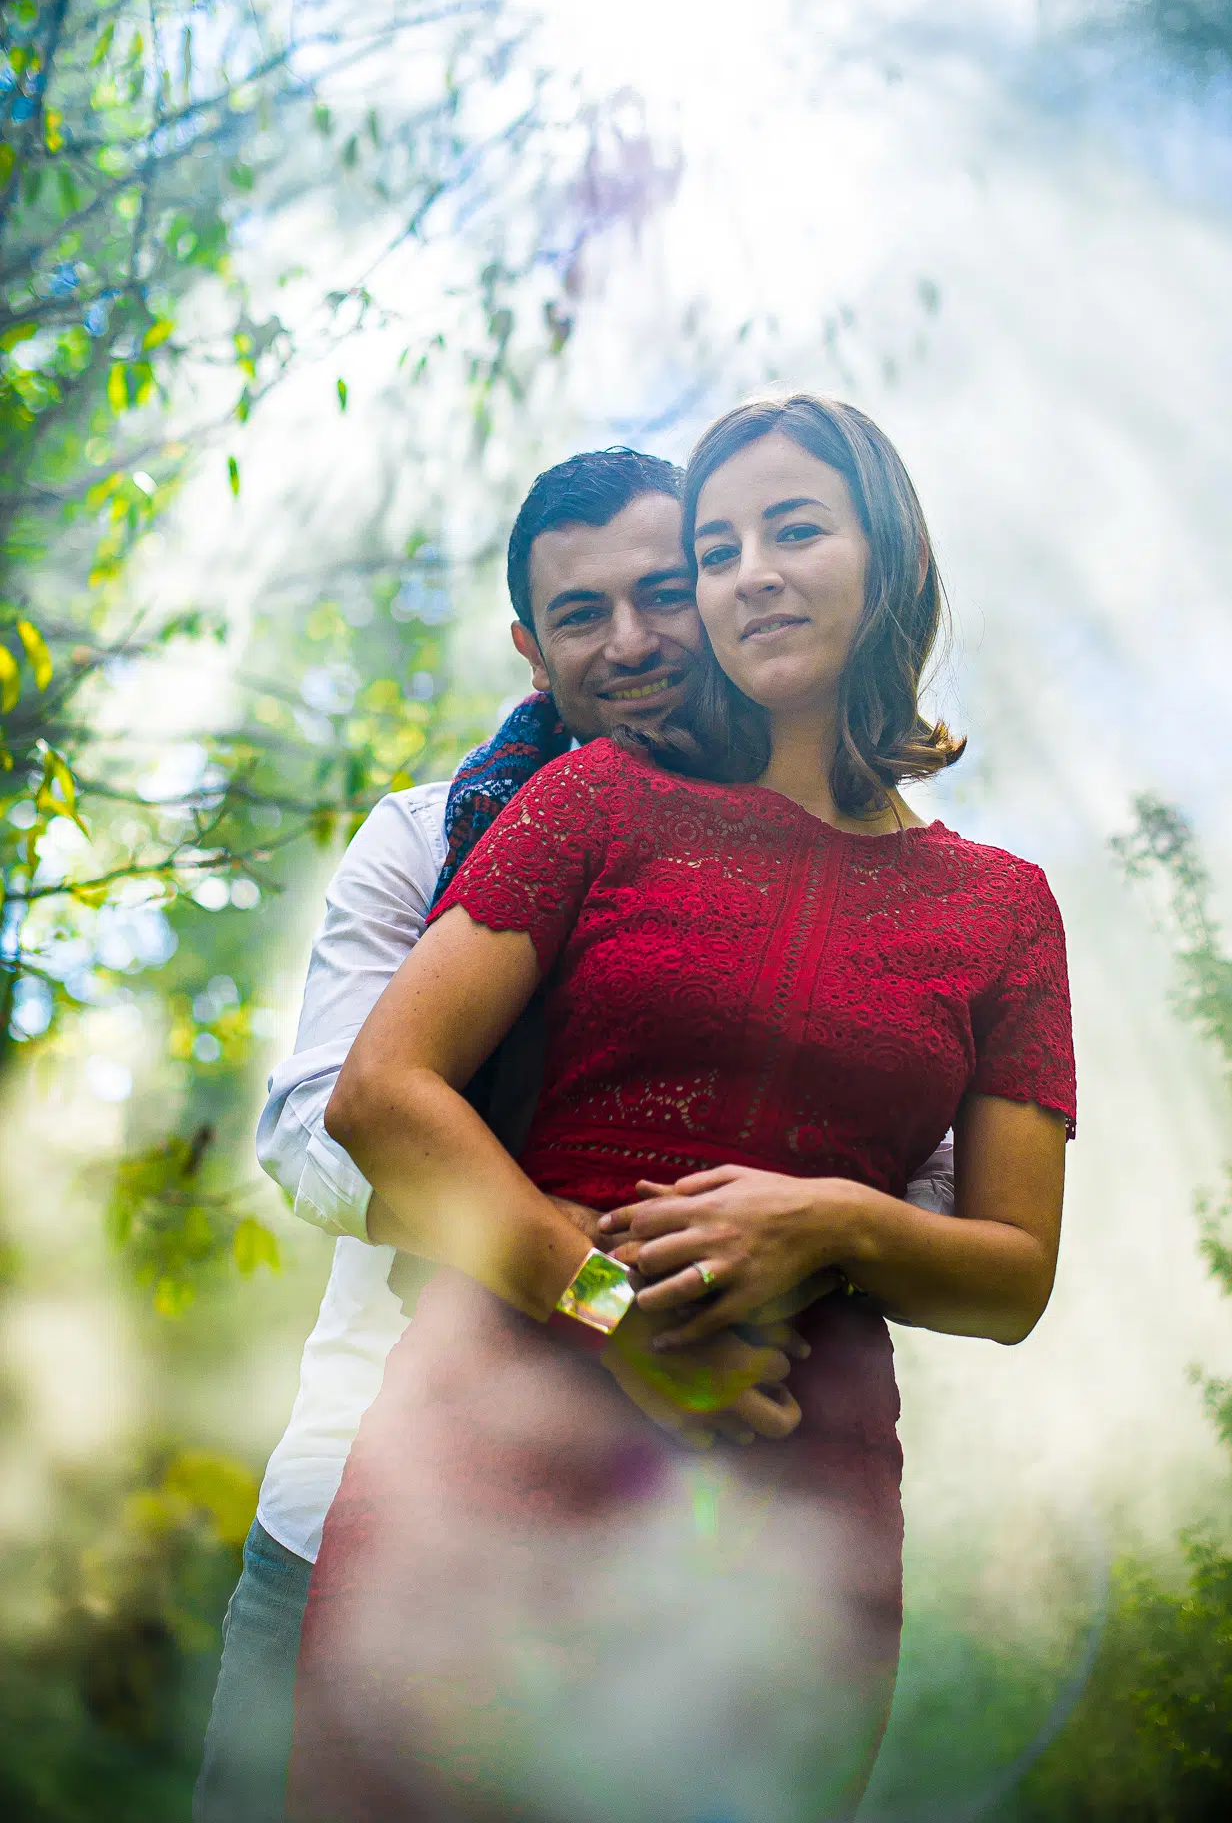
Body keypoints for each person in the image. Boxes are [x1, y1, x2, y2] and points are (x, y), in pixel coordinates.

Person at [285, 395, 1076, 1823]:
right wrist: (617, 1313)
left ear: (892, 555)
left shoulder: (1004, 911)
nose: (750, 575)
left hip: (794, 1491)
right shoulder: (593, 800)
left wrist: (833, 1222)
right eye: (719, 551)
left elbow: (1012, 1276)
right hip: (491, 1448)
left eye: (794, 531)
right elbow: (376, 1099)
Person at [194, 450, 798, 1823]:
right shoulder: (429, 841)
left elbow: (913, 1169)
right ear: (530, 647)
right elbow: (315, 1134)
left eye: (663, 593)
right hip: (361, 1500)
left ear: (715, 592)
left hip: (678, 1555)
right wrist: (587, 1280)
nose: (631, 641)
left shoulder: (816, 860)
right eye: (582, 613)